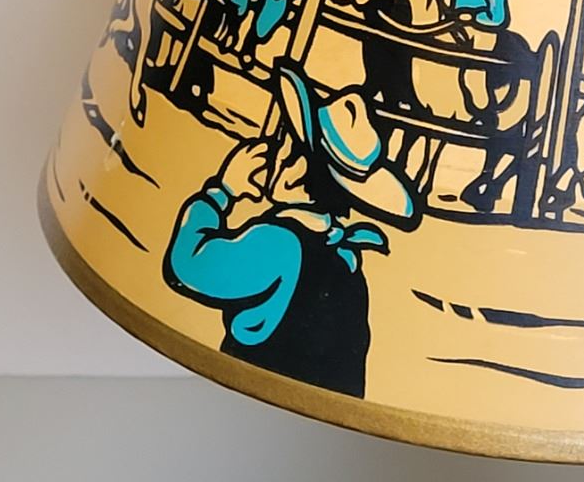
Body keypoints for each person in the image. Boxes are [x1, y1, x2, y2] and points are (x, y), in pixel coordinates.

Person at [163, 63, 419, 399]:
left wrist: (222, 191)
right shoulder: (344, 260)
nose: (272, 148)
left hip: (250, 401)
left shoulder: (279, 244)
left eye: (284, 140)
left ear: (296, 170)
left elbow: (189, 265)